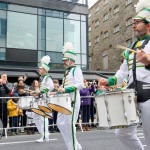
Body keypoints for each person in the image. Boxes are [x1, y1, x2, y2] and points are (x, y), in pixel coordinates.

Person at [99, 0, 150, 149]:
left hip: (149, 94)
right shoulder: (132, 47)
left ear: (148, 25)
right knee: (122, 133)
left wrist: (148, 61)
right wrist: (109, 81)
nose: (133, 25)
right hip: (131, 95)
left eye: (137, 22)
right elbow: (122, 71)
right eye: (133, 22)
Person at [57, 42, 84, 150]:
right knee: (59, 123)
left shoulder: (76, 70)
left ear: (70, 60)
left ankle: (72, 147)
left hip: (72, 99)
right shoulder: (67, 72)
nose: (63, 62)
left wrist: (66, 89)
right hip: (64, 100)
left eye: (65, 60)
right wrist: (58, 91)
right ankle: (75, 145)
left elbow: (81, 85)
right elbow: (64, 87)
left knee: (69, 124)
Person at [30, 55, 54, 142]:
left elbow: (51, 87)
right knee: (36, 116)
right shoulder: (42, 78)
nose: (39, 70)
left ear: (44, 70)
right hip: (40, 100)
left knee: (43, 117)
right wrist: (36, 92)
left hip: (44, 100)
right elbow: (41, 90)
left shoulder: (47, 77)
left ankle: (44, 136)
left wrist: (40, 91)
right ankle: (44, 134)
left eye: (40, 68)